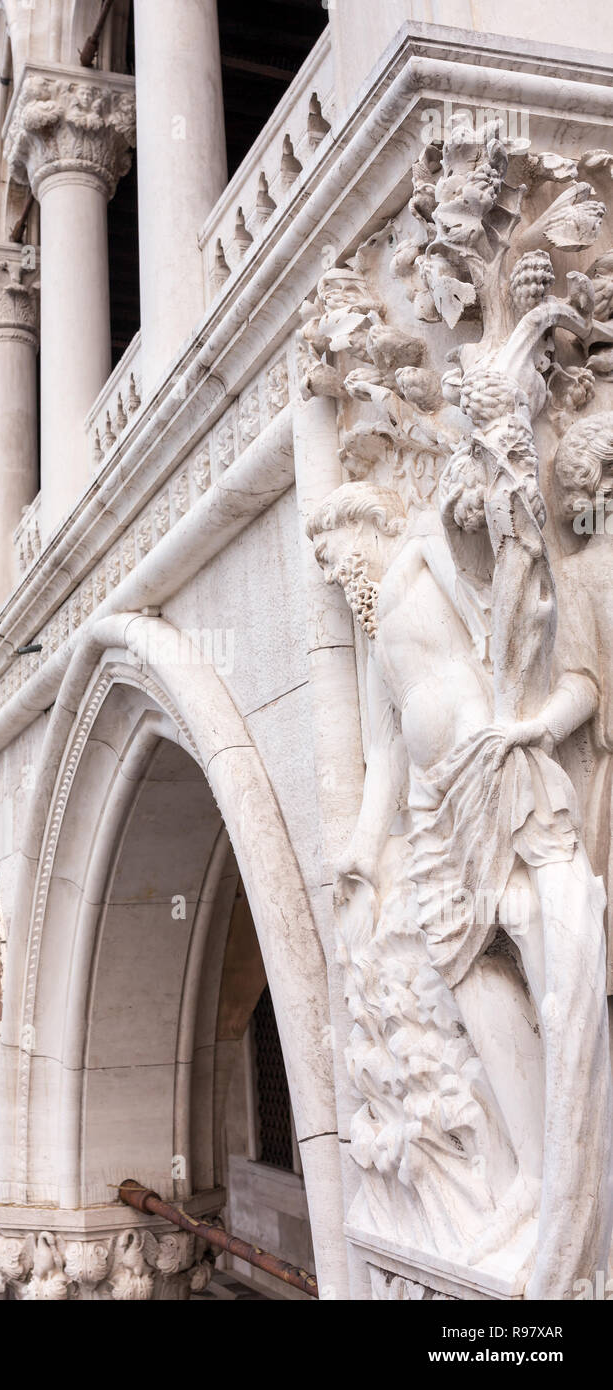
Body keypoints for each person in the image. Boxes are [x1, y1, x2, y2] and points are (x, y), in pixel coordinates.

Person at [308, 479, 613, 1299]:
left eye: (335, 554)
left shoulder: (416, 558)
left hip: (490, 768)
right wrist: (366, 850)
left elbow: (496, 604)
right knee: (463, 966)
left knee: (527, 932)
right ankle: (528, 1168)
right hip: (431, 802)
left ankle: (574, 1163)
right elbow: (383, 754)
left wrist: (468, 509)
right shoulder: (374, 639)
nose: (334, 574)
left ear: (367, 529)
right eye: (325, 569)